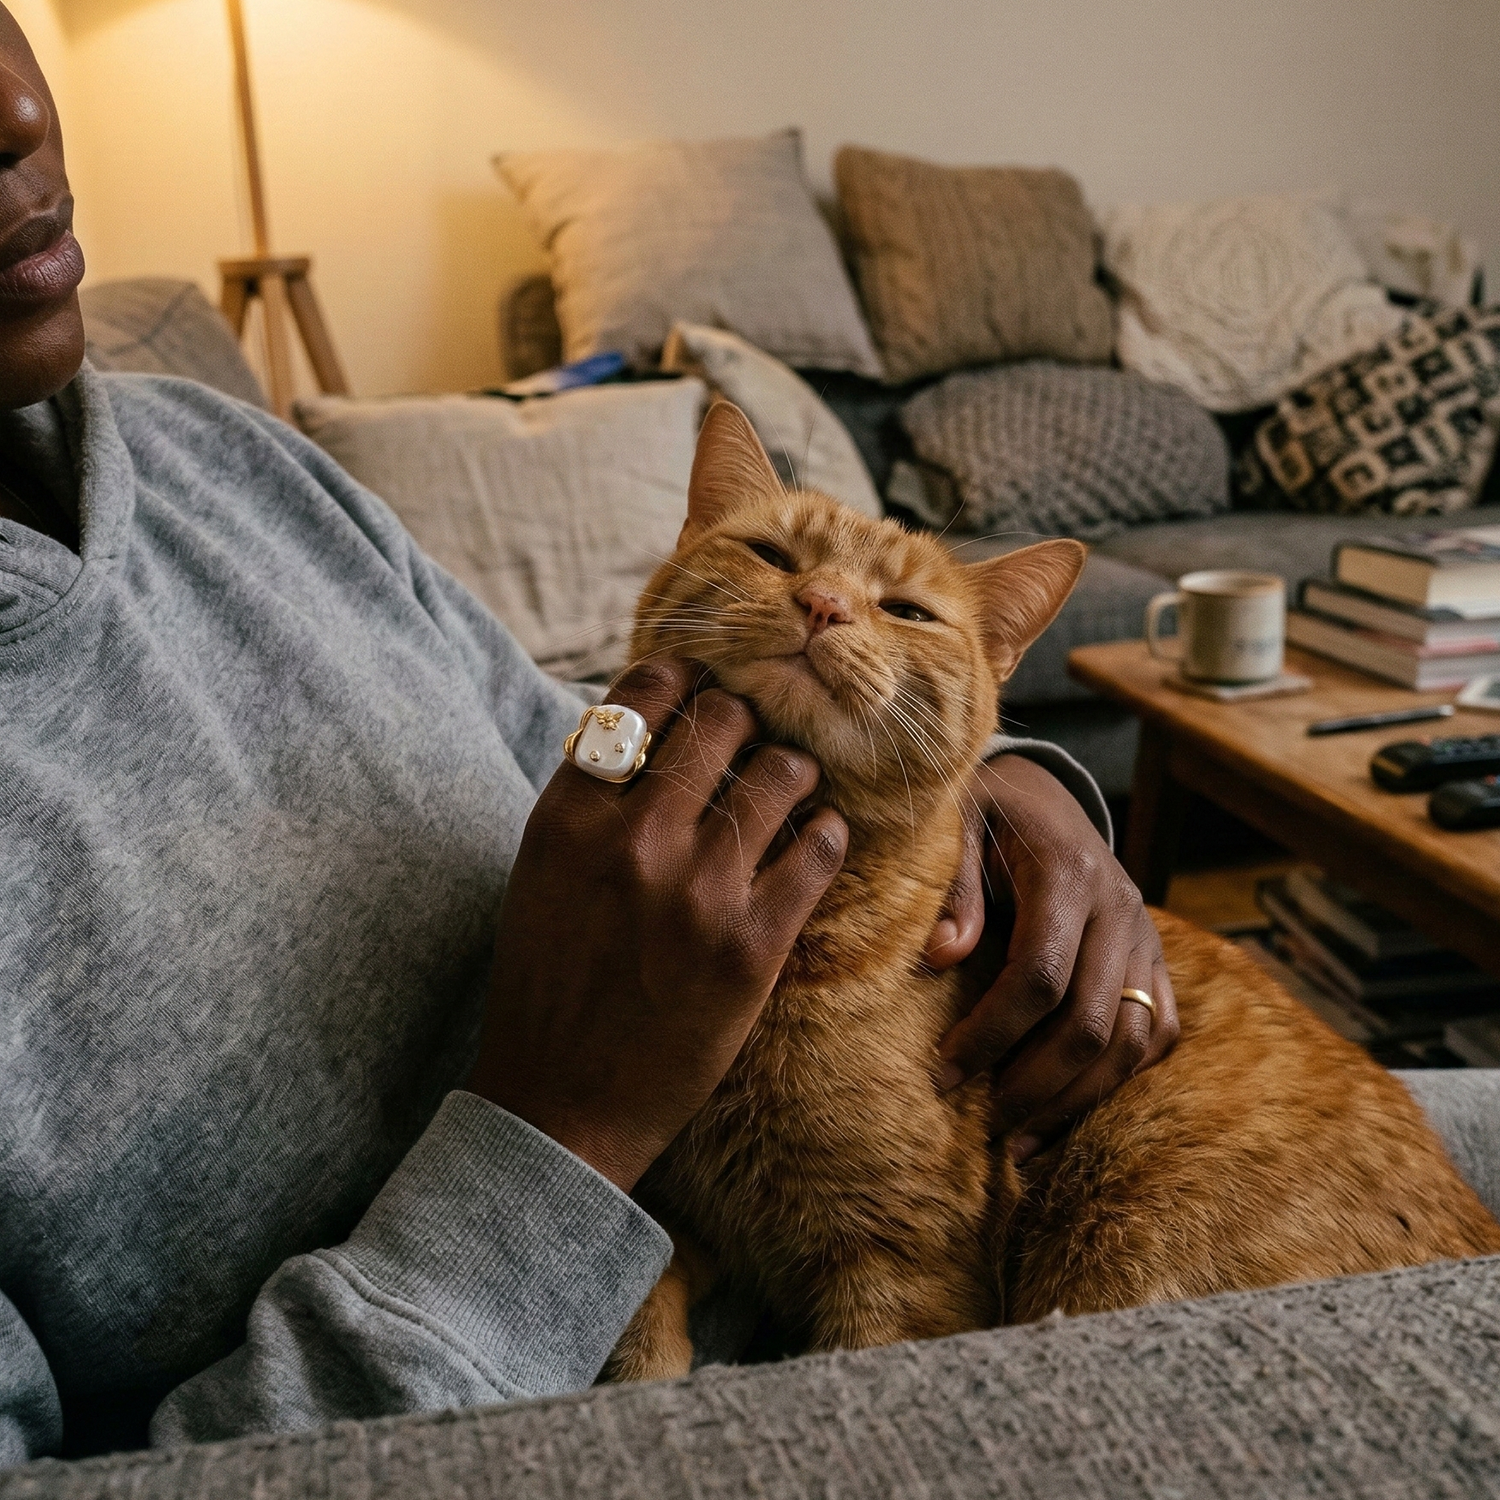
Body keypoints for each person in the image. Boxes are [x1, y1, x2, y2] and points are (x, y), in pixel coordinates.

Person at [0, 7, 1188, 1465]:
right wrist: (558, 1139)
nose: (15, 109)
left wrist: (987, 801)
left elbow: (608, 753)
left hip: (925, 1198)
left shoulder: (220, 456)